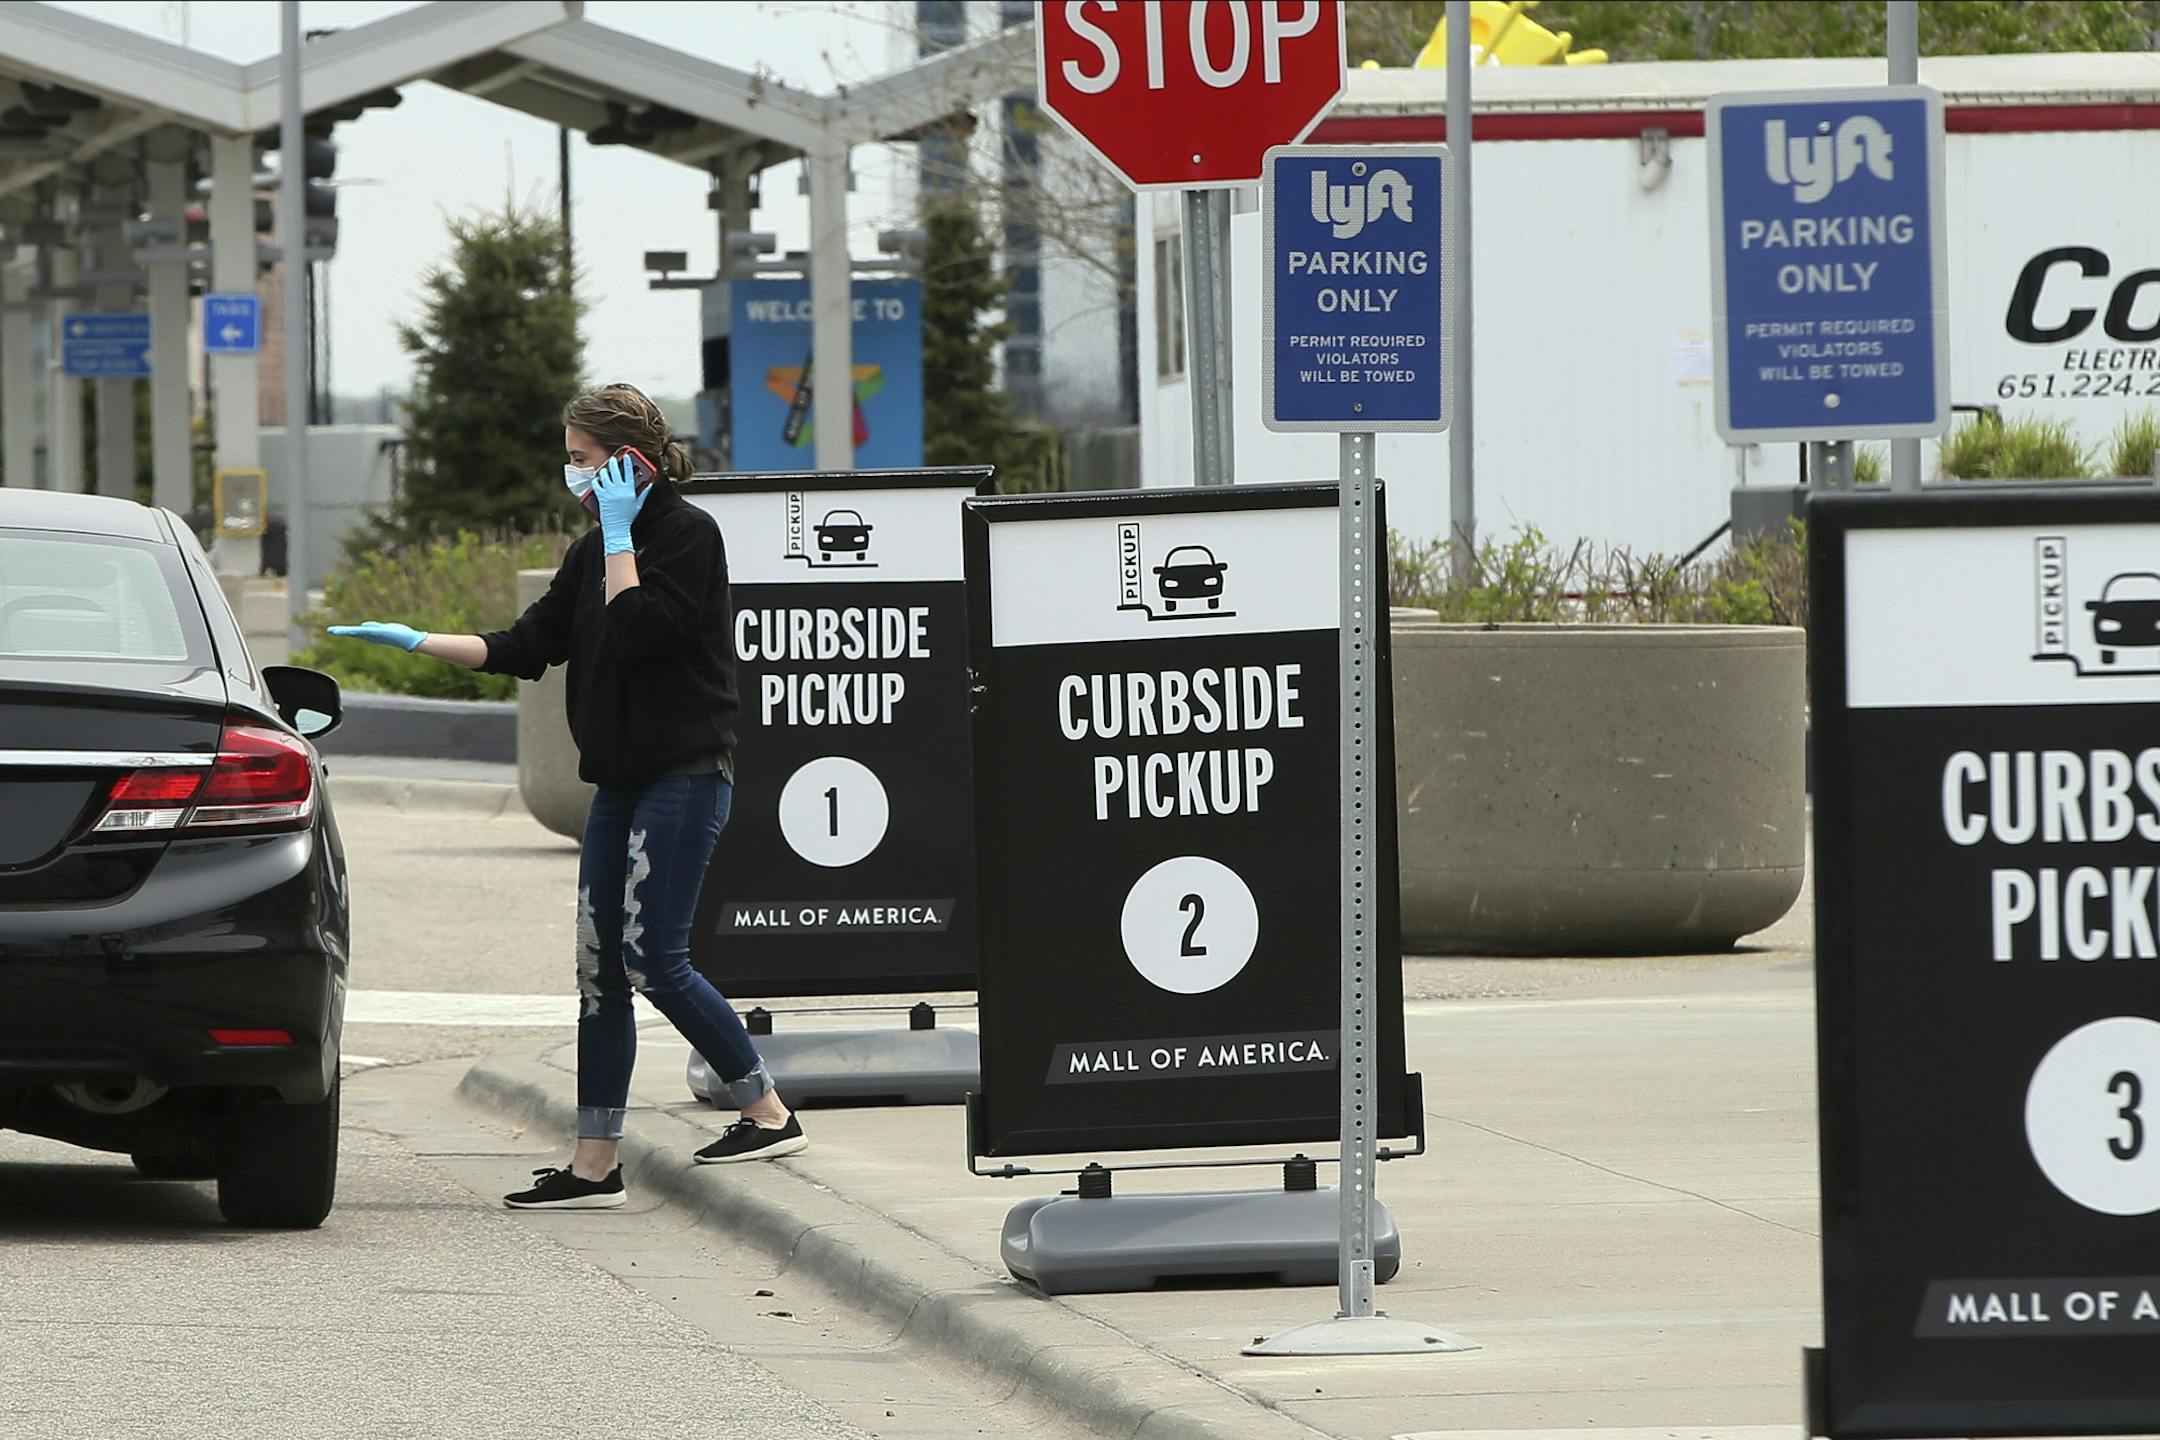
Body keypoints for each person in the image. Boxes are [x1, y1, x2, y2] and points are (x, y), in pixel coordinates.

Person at [330, 383, 806, 1210]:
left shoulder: (688, 537)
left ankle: (765, 1110)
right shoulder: (592, 553)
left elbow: (639, 632)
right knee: (598, 970)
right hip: (617, 783)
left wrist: (619, 533)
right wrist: (417, 640)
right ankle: (595, 1166)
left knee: (655, 960)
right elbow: (526, 646)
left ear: (630, 463)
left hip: (685, 775)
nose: (573, 474)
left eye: (584, 460)